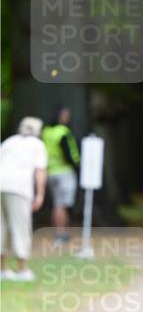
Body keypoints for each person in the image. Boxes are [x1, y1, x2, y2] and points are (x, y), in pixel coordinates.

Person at [0, 117, 47, 282]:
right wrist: (40, 194)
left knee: (1, 227)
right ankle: (22, 269)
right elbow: (40, 171)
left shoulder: (9, 141)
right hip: (19, 188)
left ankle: (2, 269)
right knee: (21, 227)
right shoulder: (37, 144)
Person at [41, 107, 80, 243]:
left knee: (57, 203)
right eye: (65, 115)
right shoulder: (63, 132)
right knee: (62, 204)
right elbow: (69, 154)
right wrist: (77, 165)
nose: (67, 118)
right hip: (64, 171)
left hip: (50, 172)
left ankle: (60, 231)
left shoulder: (46, 131)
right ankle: (61, 233)